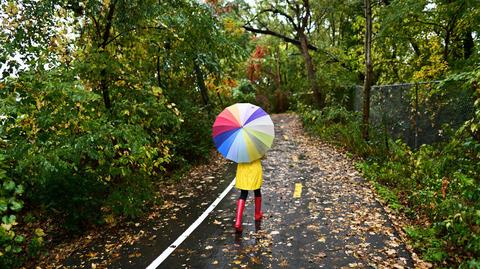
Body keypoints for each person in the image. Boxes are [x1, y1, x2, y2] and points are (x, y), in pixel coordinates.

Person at [234, 158, 263, 233]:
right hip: (255, 168)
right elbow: (263, 156)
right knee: (257, 190)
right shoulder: (256, 146)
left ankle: (238, 222)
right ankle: (257, 215)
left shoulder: (239, 147)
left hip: (243, 169)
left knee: (243, 194)